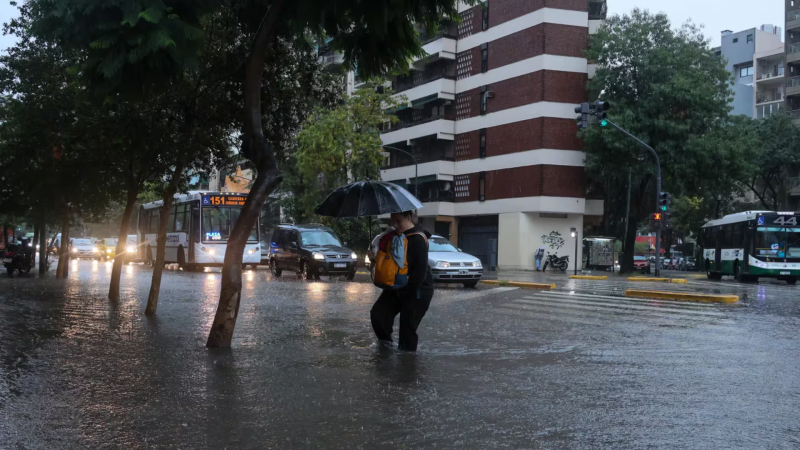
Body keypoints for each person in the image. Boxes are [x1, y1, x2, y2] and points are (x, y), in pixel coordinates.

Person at [370, 210, 433, 352]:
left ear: (409, 217)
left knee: (407, 327)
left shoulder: (418, 239)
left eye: (398, 221)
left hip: (418, 289)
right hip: (396, 284)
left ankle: (407, 364)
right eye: (393, 221)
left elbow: (420, 273)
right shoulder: (394, 236)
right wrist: (375, 256)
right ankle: (386, 347)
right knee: (378, 314)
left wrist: (404, 294)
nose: (395, 224)